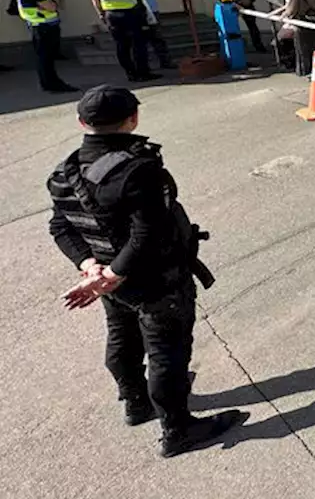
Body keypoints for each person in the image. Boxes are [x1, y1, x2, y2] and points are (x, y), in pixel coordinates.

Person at [47, 85, 245, 456]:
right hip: (154, 280)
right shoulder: (137, 169)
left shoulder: (64, 172)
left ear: (81, 122)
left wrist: (93, 268)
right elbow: (148, 232)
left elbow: (61, 226)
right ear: (133, 119)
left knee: (122, 337)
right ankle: (178, 430)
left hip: (109, 279)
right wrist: (114, 273)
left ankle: (136, 402)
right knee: (167, 352)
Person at [87, 0, 189, 82]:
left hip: (111, 13)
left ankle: (131, 73)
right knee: (139, 44)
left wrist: (100, 13)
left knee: (122, 46)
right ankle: (143, 72)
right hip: (131, 12)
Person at [11, 0, 76, 92]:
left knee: (44, 58)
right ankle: (53, 84)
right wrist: (49, 2)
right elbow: (52, 6)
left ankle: (48, 83)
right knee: (46, 59)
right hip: (44, 27)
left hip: (39, 26)